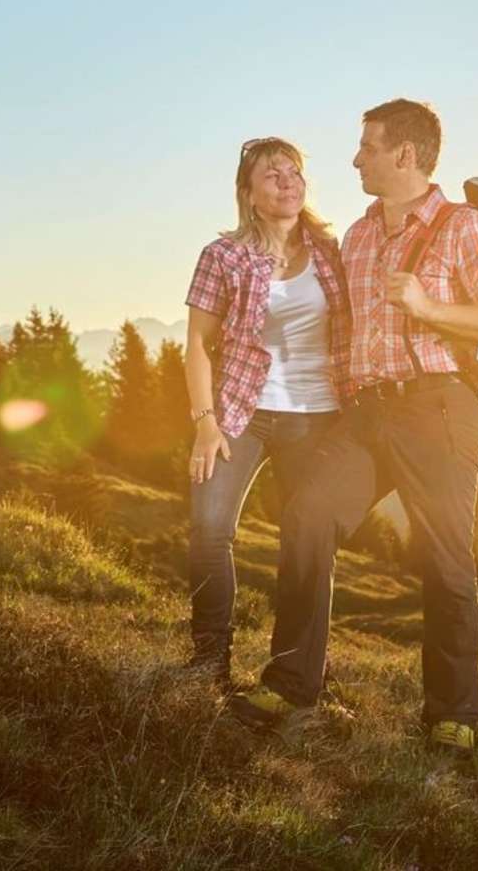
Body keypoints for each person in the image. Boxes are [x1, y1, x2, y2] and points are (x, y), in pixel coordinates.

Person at [230, 99, 478, 756]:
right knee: (307, 516)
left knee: (443, 558)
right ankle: (291, 682)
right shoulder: (360, 235)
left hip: (438, 408)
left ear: (404, 154)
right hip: (365, 413)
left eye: (367, 146)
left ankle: (453, 714)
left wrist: (429, 305)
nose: (356, 157)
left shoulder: (463, 228)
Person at [183, 137, 351, 687]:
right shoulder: (224, 255)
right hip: (240, 412)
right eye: (271, 174)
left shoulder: (333, 251)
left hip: (318, 415)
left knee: (307, 544)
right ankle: (211, 659)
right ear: (249, 193)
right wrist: (205, 422)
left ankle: (301, 670)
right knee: (210, 530)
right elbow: (198, 345)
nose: (287, 181)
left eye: (294, 171)